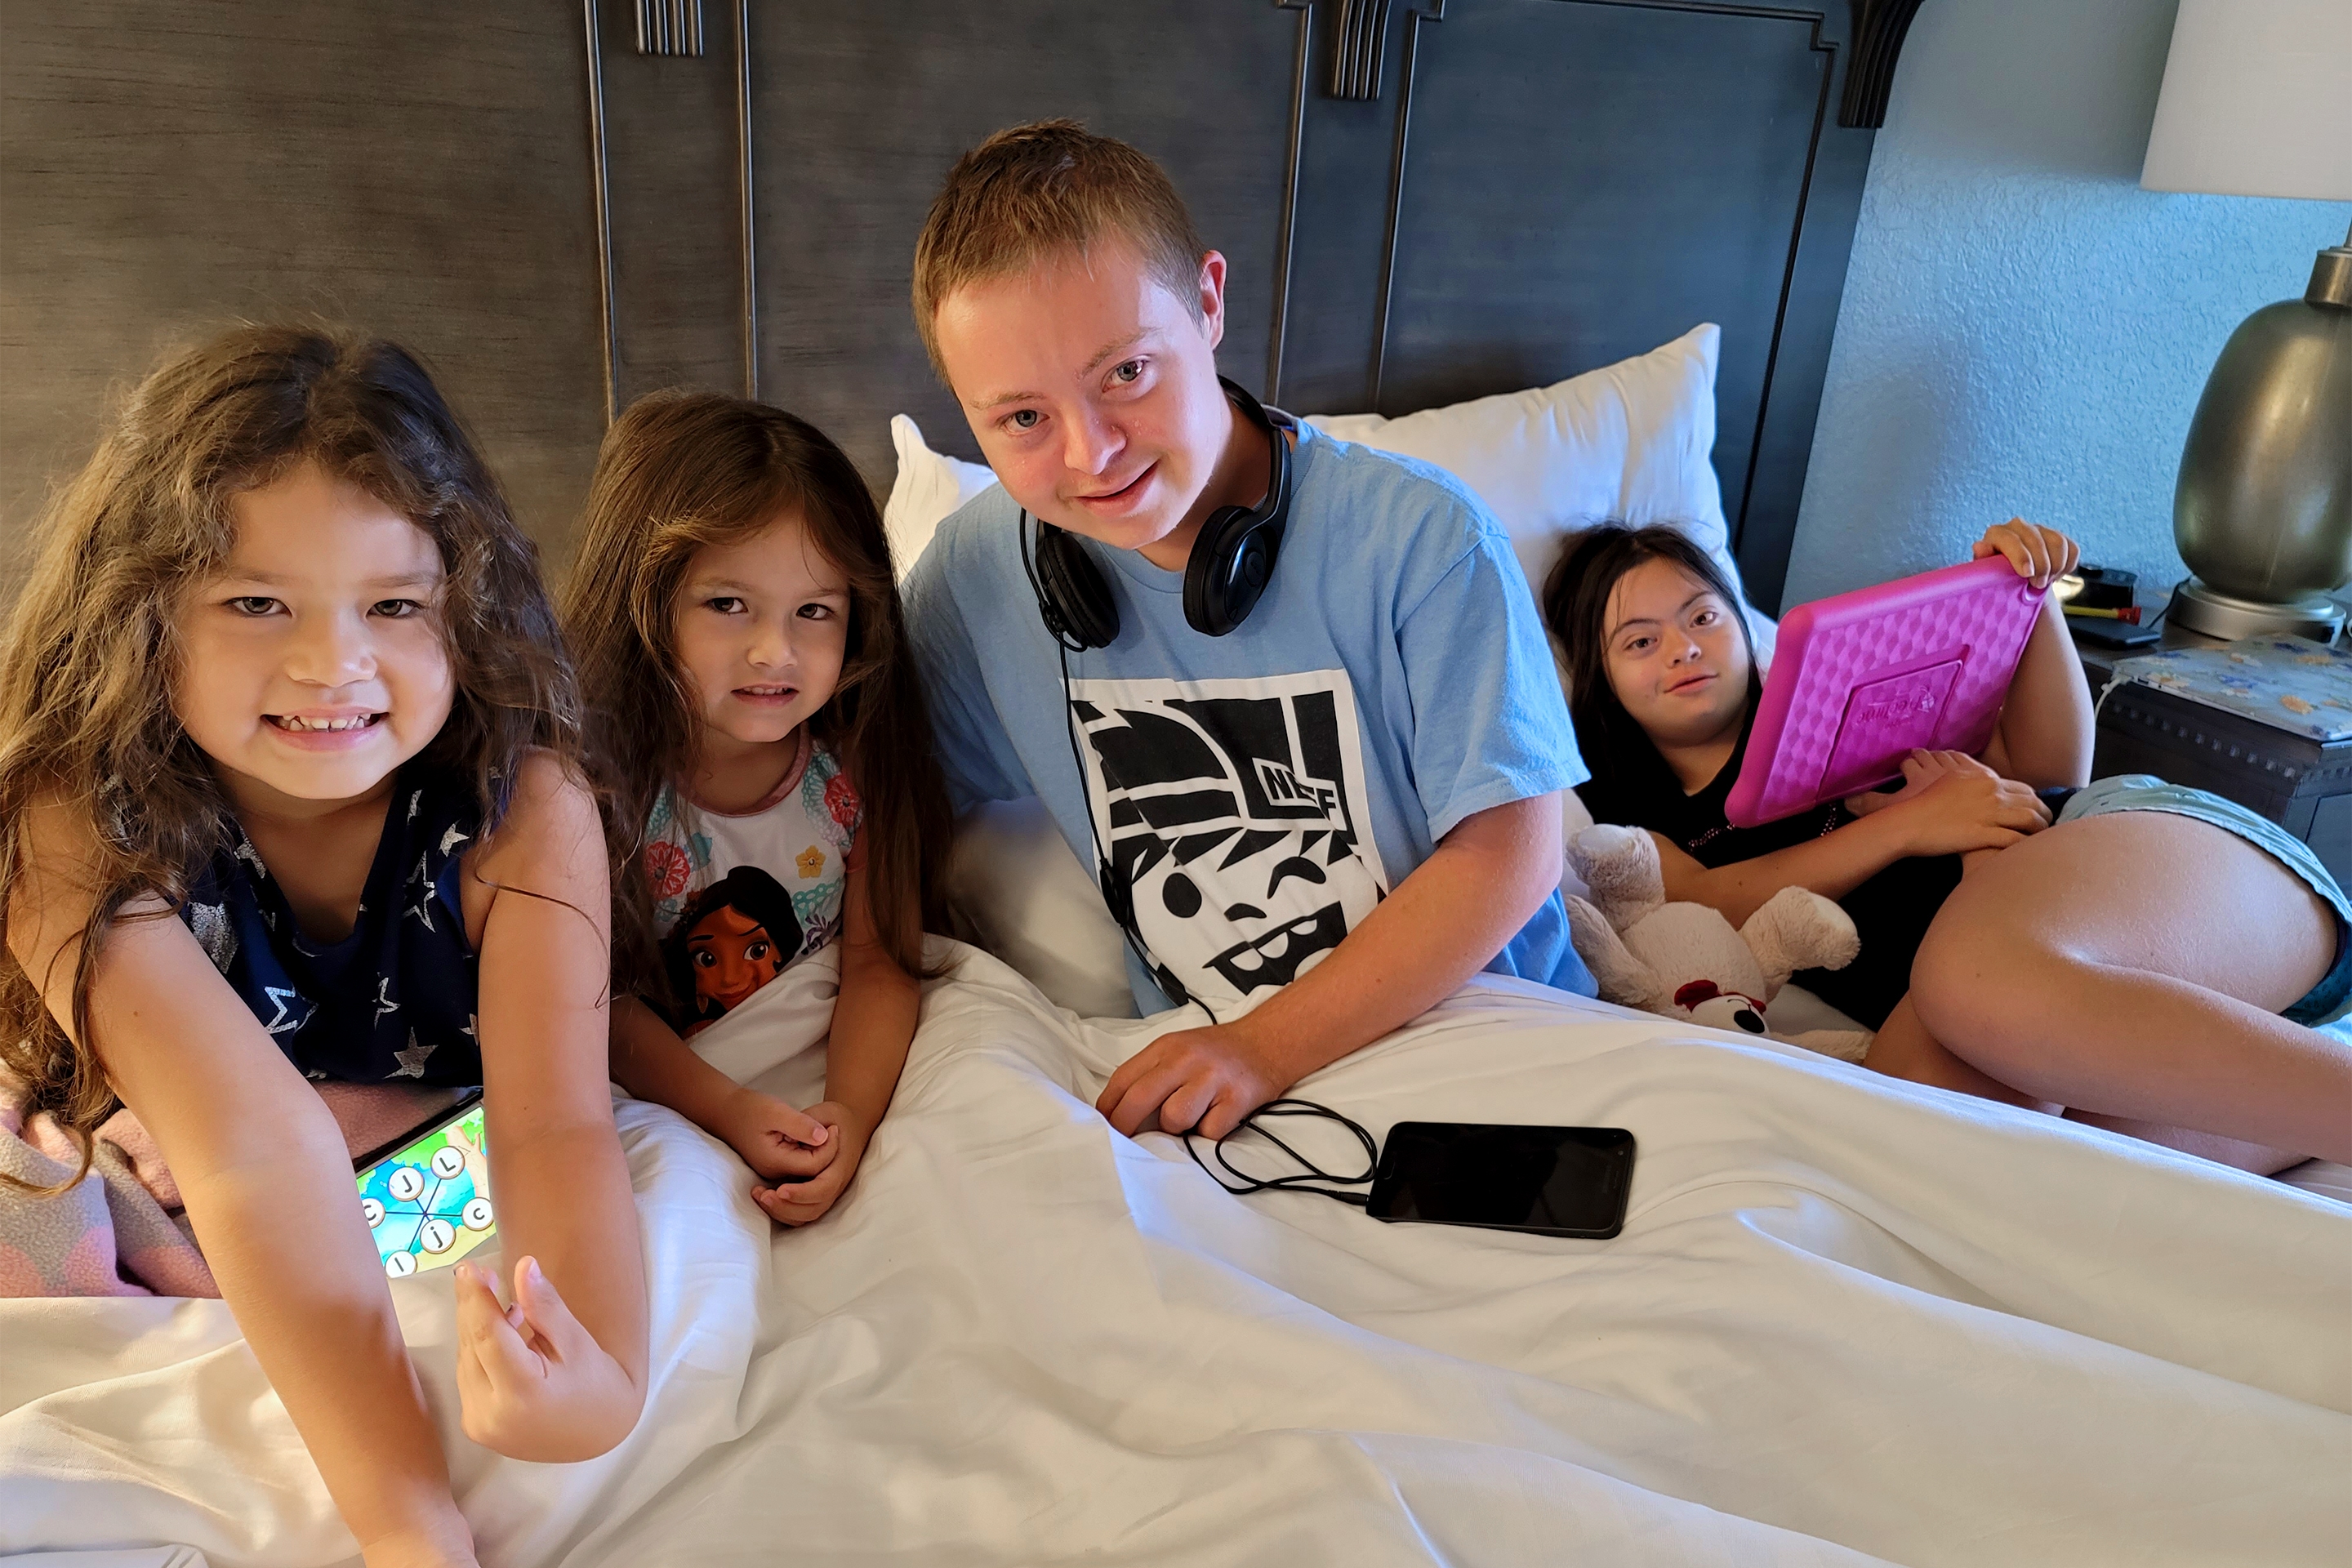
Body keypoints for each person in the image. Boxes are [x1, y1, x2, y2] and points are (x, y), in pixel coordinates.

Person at [0, 326, 645, 1568]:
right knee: (51, 1216)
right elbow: (250, 1152)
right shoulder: (69, 818)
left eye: (395, 604)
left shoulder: (524, 809)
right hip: (183, 1128)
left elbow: (557, 1124)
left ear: (462, 609)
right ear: (143, 617)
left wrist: (604, 1374)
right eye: (255, 602)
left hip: (405, 1131)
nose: (332, 663)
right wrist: (410, 1525)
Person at [900, 119, 1596, 1143]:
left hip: (1491, 1034)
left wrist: (1261, 1048)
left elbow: (1511, 854)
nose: (1092, 454)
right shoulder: (975, 575)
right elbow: (876, 806)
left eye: (1126, 373)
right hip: (1213, 1091)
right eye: (1022, 420)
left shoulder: (1426, 538)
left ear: (1210, 301)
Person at [1546, 522, 2352, 1169]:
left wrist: (2027, 599)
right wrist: (1912, 826)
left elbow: (2048, 775)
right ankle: (2303, 1109)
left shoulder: (1842, 701)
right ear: (1599, 677)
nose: (1684, 648)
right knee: (1925, 1149)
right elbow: (1707, 898)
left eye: (1702, 616)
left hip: (2130, 852)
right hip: (2041, 997)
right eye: (1640, 641)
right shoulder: (1624, 810)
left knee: (1973, 986)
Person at [560, 390, 948, 1227]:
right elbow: (594, 1006)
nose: (775, 651)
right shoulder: (583, 785)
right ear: (646, 597)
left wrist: (848, 1113)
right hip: (670, 1088)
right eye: (727, 604)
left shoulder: (854, 770)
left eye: (815, 611)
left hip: (826, 1067)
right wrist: (732, 1112)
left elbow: (880, 962)